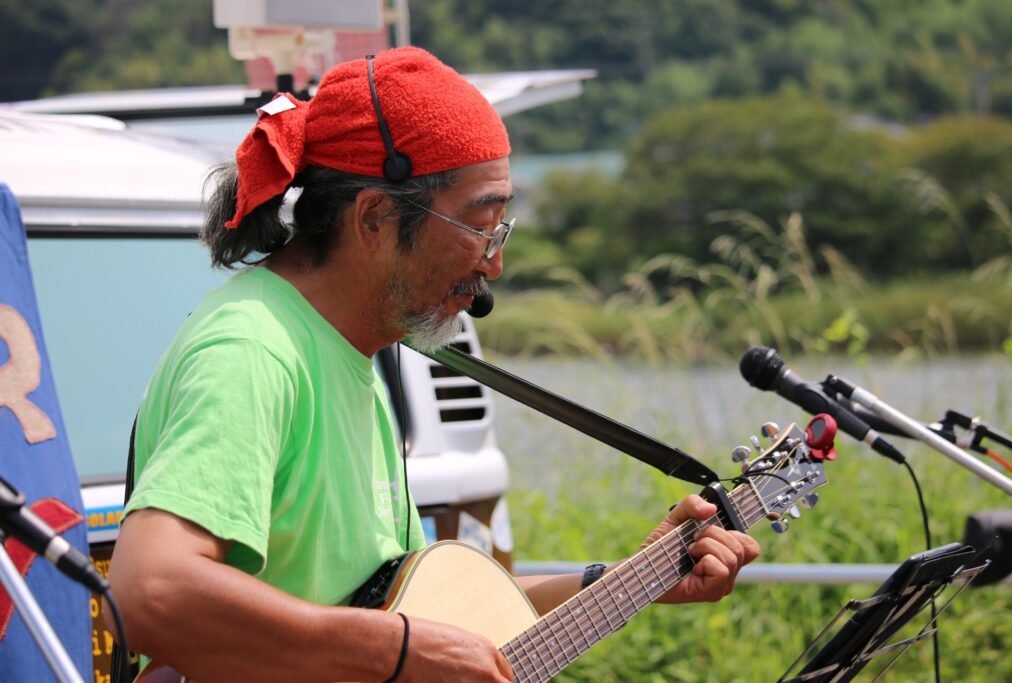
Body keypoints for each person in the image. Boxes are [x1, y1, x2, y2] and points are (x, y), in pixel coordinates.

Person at [105, 47, 760, 683]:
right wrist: (395, 649)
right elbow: (151, 591)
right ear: (376, 217)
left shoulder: (356, 352)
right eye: (483, 226)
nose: (494, 263)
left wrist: (626, 580)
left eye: (502, 232)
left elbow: (418, 623)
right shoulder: (253, 350)